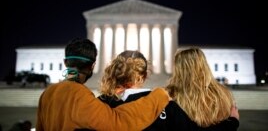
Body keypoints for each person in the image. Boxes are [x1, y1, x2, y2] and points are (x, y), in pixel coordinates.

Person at [35, 38, 170, 131]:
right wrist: (158, 96)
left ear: (65, 62)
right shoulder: (80, 95)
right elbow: (118, 123)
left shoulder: (47, 94)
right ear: (92, 66)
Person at [98, 50, 239, 130]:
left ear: (114, 71)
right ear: (144, 75)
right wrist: (232, 121)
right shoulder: (165, 104)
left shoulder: (98, 104)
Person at [167, 47, 239, 130]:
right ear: (204, 64)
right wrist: (234, 121)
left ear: (177, 68)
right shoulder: (223, 93)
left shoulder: (169, 95)